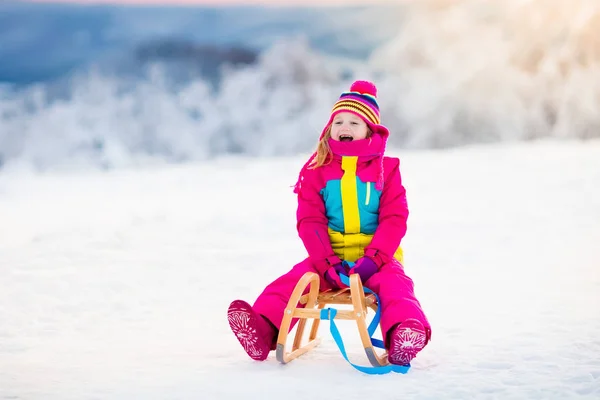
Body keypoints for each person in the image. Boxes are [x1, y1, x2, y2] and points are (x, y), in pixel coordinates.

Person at [227, 80, 431, 366]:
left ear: (370, 130)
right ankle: (262, 330)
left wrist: (375, 258)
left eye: (353, 122)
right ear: (329, 128)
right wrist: (327, 263)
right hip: (328, 257)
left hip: (378, 258)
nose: (344, 126)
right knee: (292, 282)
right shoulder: (317, 170)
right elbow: (309, 221)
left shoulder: (388, 170)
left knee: (396, 287)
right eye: (338, 121)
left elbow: (395, 218)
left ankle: (404, 334)